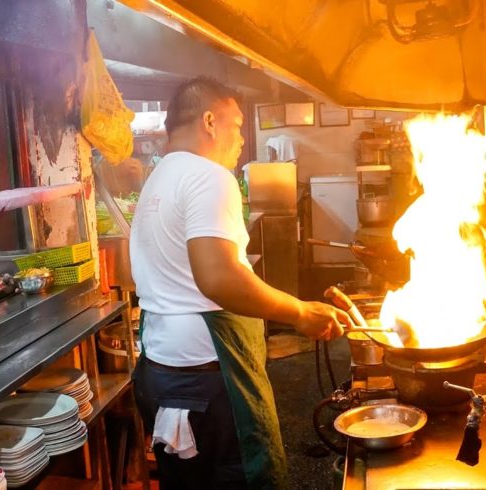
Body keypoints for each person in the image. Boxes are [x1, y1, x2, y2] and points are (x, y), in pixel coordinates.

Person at [129, 77, 353, 490]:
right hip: (209, 380)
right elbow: (217, 277)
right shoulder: (209, 176)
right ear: (210, 121)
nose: (242, 139)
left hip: (163, 372)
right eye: (236, 125)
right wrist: (299, 312)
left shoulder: (158, 179)